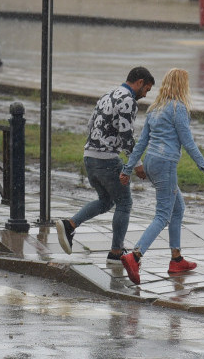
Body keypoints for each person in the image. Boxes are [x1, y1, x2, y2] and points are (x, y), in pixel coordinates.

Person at [118, 68, 204, 284]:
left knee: (178, 208)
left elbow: (142, 142)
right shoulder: (178, 109)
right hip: (166, 163)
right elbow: (188, 142)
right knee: (163, 214)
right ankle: (135, 256)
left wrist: (127, 169)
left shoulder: (155, 109)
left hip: (152, 162)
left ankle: (176, 259)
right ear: (182, 86)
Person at [53, 66, 155, 261]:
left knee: (106, 201)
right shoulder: (128, 100)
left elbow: (90, 125)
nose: (145, 95)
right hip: (107, 160)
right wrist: (137, 164)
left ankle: (70, 225)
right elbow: (126, 136)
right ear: (140, 82)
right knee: (124, 203)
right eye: (147, 90)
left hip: (89, 157)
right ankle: (116, 252)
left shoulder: (106, 96)